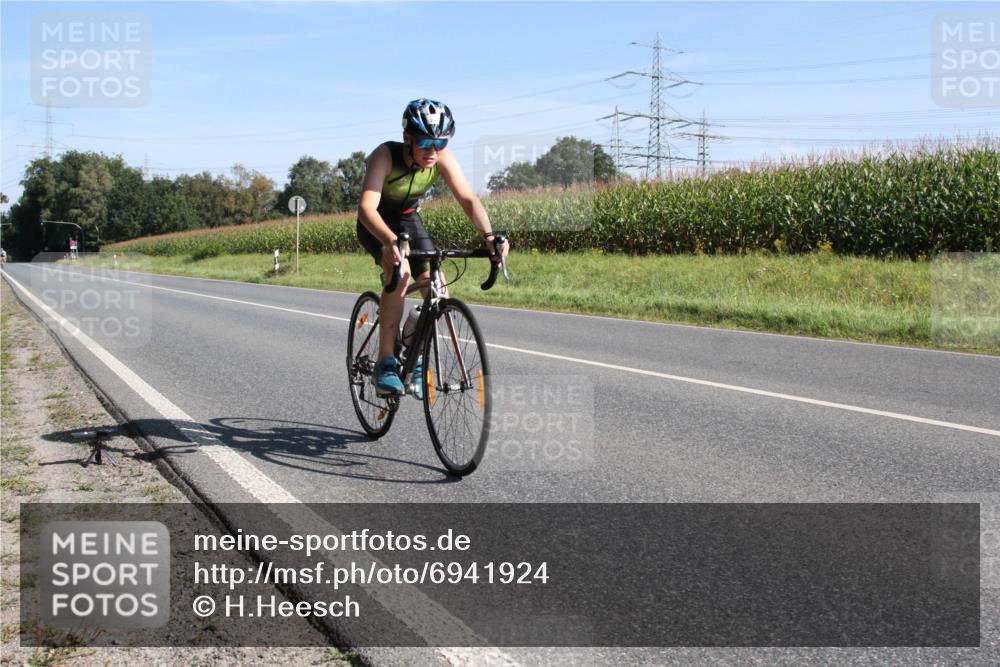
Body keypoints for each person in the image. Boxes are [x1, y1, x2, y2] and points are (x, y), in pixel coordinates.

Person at [357, 98, 508, 395]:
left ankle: (413, 345)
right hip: (376, 222)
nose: (433, 151)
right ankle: (385, 363)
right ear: (407, 138)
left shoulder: (442, 157)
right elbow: (366, 208)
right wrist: (389, 241)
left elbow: (468, 200)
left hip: (408, 218)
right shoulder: (385, 156)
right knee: (401, 274)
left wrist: (489, 237)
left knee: (437, 288)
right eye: (425, 142)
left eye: (441, 142)